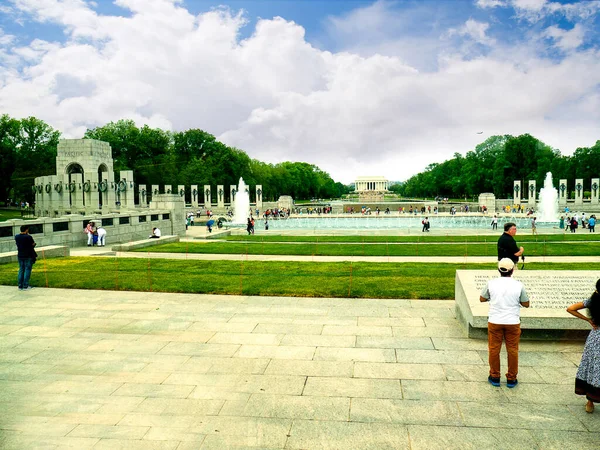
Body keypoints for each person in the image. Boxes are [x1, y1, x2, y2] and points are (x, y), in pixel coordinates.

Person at [480, 258, 530, 387]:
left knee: (494, 349)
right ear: (512, 270)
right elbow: (526, 303)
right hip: (512, 321)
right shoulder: (519, 285)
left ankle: (495, 376)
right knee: (513, 350)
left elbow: (482, 298)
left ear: (499, 270)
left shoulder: (491, 283)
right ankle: (511, 378)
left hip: (495, 320)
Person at [567, 279, 600, 413]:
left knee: (592, 366)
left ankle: (590, 401)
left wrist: (588, 320)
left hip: (596, 337)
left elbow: (570, 308)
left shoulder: (593, 301)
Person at [15, 224, 37, 290]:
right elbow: (33, 244)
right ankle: (25, 285)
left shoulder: (16, 236)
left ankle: (20, 285)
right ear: (26, 230)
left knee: (21, 269)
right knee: (27, 270)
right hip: (28, 255)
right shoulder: (28, 237)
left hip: (20, 255)